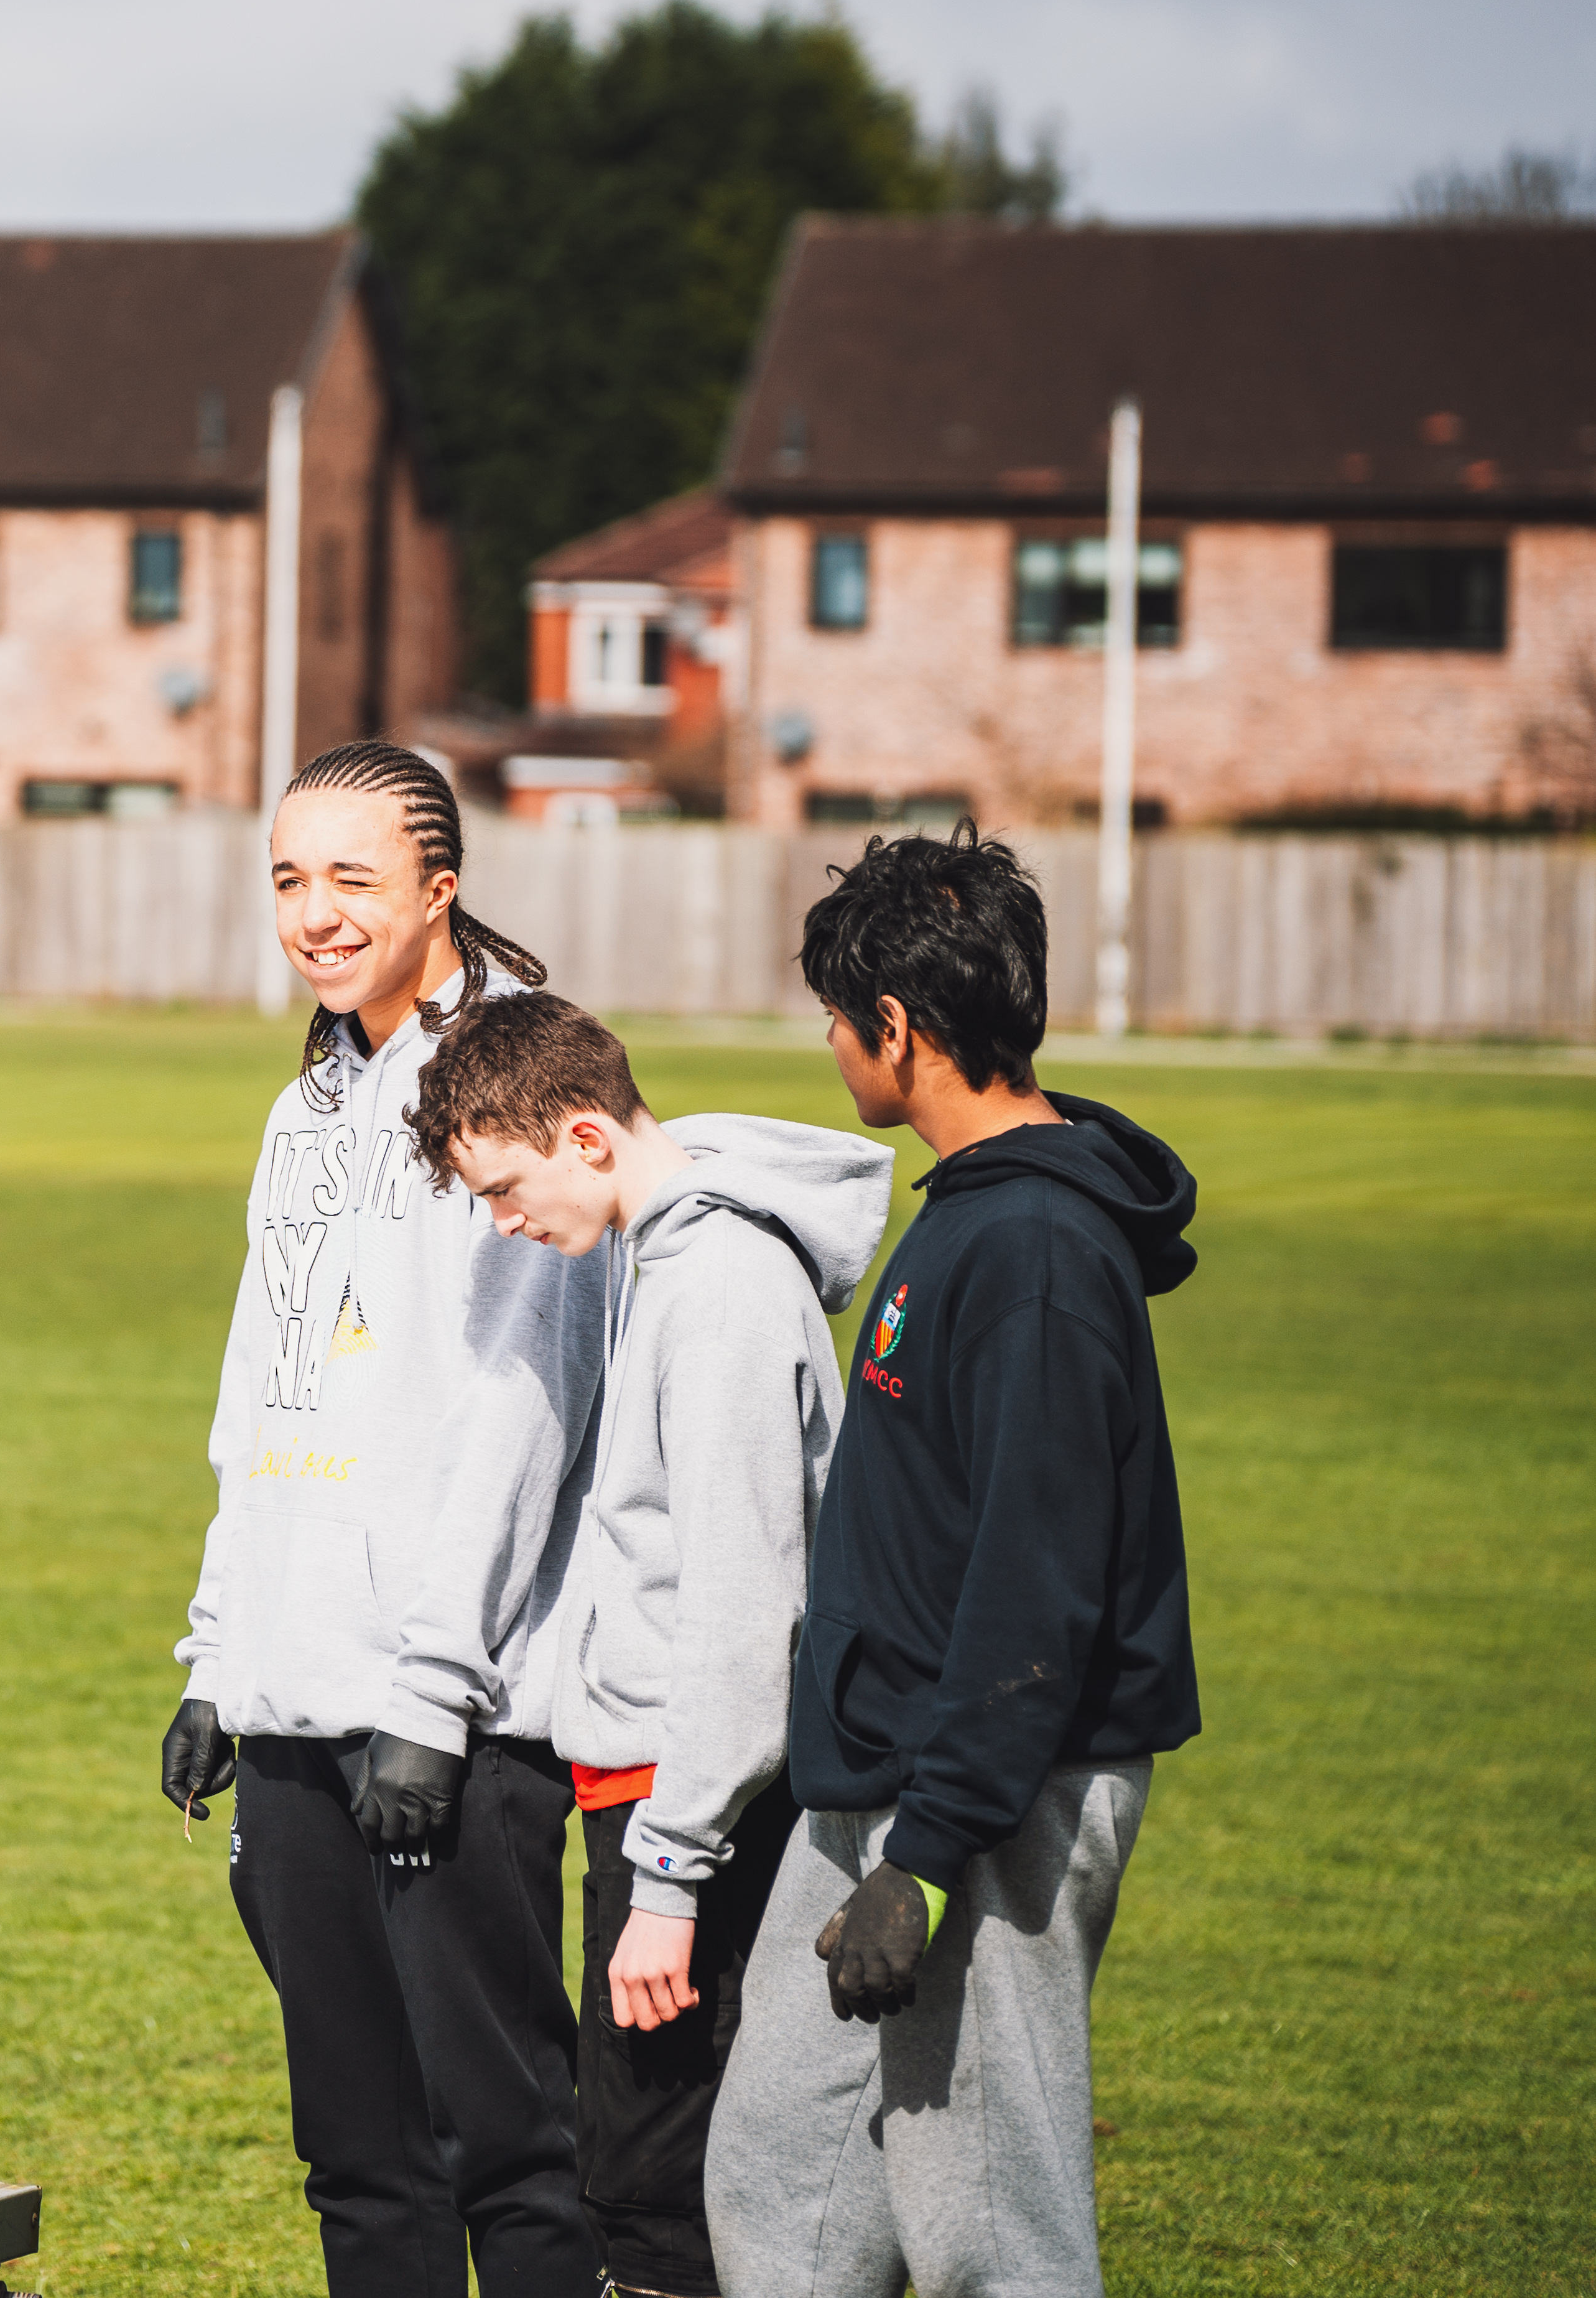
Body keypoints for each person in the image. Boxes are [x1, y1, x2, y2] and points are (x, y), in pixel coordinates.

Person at [707, 828, 1199, 2298]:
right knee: (784, 2176)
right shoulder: (969, 1215)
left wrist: (924, 1855)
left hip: (983, 1796)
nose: (830, 1046)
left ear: (897, 1027)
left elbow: (1035, 1583)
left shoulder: (1037, 1250)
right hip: (879, 1779)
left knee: (989, 2219)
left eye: (835, 1018)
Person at [159, 738, 610, 2298]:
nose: (317, 912)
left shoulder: (507, 1083)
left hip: (446, 1723)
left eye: (354, 878)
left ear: (442, 884)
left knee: (508, 2149)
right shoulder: (307, 1107)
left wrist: (429, 1693)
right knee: (356, 2157)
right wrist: (221, 1653)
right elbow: (259, 1404)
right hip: (294, 1702)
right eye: (290, 877)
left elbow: (519, 1412)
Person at [405, 992, 896, 2298]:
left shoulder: (720, 1289)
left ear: (580, 1135)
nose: (504, 1225)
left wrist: (667, 1881)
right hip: (653, 1800)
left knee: (661, 2200)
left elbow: (744, 1604)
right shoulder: (659, 1257)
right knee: (639, 2181)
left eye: (504, 1189)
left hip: (694, 1823)